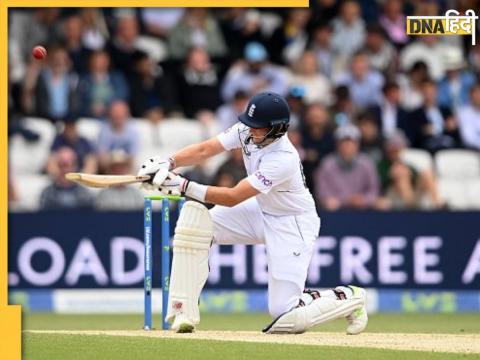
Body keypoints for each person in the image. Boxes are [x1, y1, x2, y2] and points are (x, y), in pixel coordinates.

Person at [137, 92, 368, 334]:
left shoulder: (283, 158)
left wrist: (182, 186)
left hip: (292, 222)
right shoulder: (247, 130)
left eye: (258, 127)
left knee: (287, 317)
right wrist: (169, 163)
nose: (251, 130)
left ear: (277, 129)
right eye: (250, 124)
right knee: (195, 225)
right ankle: (182, 311)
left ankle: (349, 297)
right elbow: (206, 149)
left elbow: (233, 196)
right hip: (260, 208)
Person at [314, 124, 380, 210]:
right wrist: (339, 200)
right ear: (337, 144)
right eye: (344, 142)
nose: (348, 146)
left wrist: (364, 200)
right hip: (336, 211)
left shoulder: (367, 163)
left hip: (363, 210)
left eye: (351, 142)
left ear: (357, 145)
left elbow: (374, 190)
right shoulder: (327, 164)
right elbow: (322, 192)